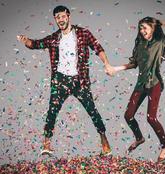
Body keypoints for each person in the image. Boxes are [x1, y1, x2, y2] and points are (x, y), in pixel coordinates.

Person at [17, 5, 115, 156]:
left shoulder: (83, 33)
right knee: (52, 111)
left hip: (79, 80)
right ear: (55, 20)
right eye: (57, 17)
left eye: (63, 16)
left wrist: (106, 64)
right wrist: (26, 41)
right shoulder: (54, 38)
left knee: (92, 111)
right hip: (60, 80)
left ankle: (105, 143)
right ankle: (46, 145)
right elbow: (36, 44)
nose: (60, 20)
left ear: (68, 16)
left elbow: (98, 48)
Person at [109, 17, 165, 162]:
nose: (142, 31)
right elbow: (133, 64)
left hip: (154, 85)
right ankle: (139, 138)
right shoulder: (139, 44)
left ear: (152, 28)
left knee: (151, 118)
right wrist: (116, 69)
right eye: (140, 28)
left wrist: (159, 21)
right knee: (128, 116)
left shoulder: (160, 43)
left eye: (145, 27)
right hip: (141, 85)